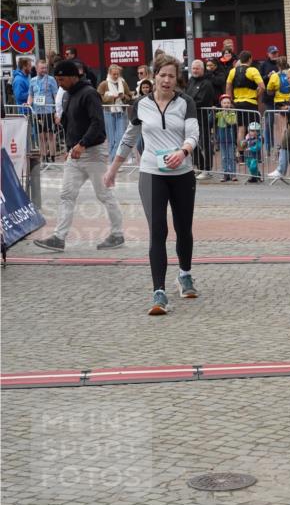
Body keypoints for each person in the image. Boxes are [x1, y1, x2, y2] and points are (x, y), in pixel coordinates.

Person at [103, 53, 200, 315]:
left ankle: (185, 274)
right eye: (163, 75)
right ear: (154, 76)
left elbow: (193, 134)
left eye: (172, 76)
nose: (167, 80)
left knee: (183, 228)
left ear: (176, 79)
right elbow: (129, 138)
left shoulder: (186, 102)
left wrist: (183, 152)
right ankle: (159, 292)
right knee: (158, 231)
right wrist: (113, 169)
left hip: (182, 173)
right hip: (151, 173)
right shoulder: (140, 105)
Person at [33, 60, 124, 252]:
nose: (59, 84)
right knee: (67, 195)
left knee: (103, 194)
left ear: (74, 77)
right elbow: (69, 123)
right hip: (75, 153)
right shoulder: (67, 95)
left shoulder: (89, 94)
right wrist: (69, 145)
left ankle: (117, 234)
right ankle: (59, 237)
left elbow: (97, 123)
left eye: (62, 79)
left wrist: (82, 144)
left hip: (93, 152)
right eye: (57, 80)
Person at [225, 49, 264, 149]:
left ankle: (241, 153)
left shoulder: (232, 71)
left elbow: (228, 87)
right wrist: (256, 95)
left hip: (237, 104)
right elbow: (262, 87)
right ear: (250, 59)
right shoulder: (253, 70)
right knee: (253, 128)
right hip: (251, 103)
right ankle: (253, 151)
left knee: (240, 129)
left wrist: (230, 101)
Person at [185, 59, 217, 179]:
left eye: (197, 68)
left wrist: (188, 104)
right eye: (193, 68)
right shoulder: (191, 81)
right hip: (191, 117)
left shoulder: (207, 83)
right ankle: (199, 166)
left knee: (205, 143)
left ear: (202, 69)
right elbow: (186, 96)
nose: (195, 71)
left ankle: (207, 170)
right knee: (192, 142)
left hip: (202, 117)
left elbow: (202, 100)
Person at [98, 64, 133, 161]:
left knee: (120, 137)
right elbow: (98, 97)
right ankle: (112, 160)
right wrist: (112, 97)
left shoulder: (123, 83)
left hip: (121, 113)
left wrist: (123, 97)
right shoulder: (104, 84)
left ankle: (114, 160)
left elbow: (129, 96)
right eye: (114, 74)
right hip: (108, 113)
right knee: (111, 139)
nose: (116, 76)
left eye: (118, 74)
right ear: (109, 73)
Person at [27, 58, 58, 163]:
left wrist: (56, 110)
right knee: (41, 136)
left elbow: (56, 95)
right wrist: (28, 104)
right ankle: (44, 157)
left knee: (50, 135)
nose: (44, 70)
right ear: (36, 68)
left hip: (48, 111)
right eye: (42, 68)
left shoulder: (51, 79)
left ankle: (52, 156)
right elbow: (31, 95)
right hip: (37, 112)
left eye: (45, 68)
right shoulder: (32, 81)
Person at [216, 94, 238, 180]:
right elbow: (211, 120)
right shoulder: (219, 113)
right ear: (221, 104)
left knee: (231, 156)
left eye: (228, 103)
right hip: (222, 139)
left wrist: (225, 114)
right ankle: (225, 173)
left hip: (230, 139)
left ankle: (233, 174)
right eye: (224, 103)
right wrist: (212, 112)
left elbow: (231, 122)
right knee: (224, 157)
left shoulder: (232, 113)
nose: (226, 105)